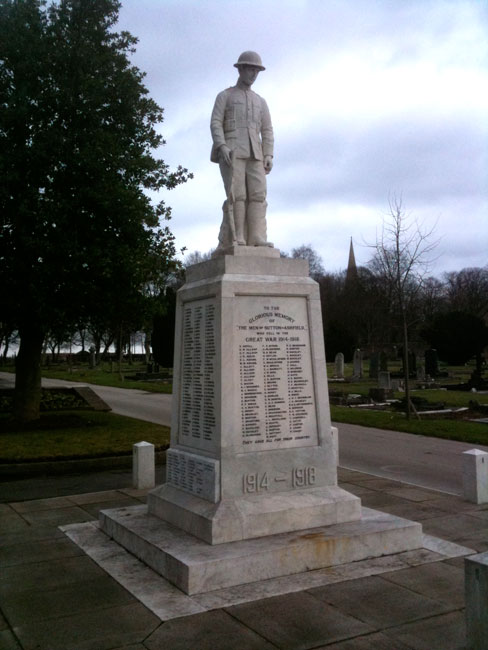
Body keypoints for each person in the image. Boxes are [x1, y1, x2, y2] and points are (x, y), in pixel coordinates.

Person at [210, 51, 274, 249]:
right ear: (241, 69)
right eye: (250, 69)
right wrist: (222, 146)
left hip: (256, 153)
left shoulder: (260, 101)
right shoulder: (225, 96)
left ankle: (256, 237)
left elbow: (267, 129)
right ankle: (238, 237)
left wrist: (268, 154)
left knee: (257, 194)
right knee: (237, 195)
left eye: (256, 71)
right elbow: (215, 123)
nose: (253, 74)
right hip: (232, 152)